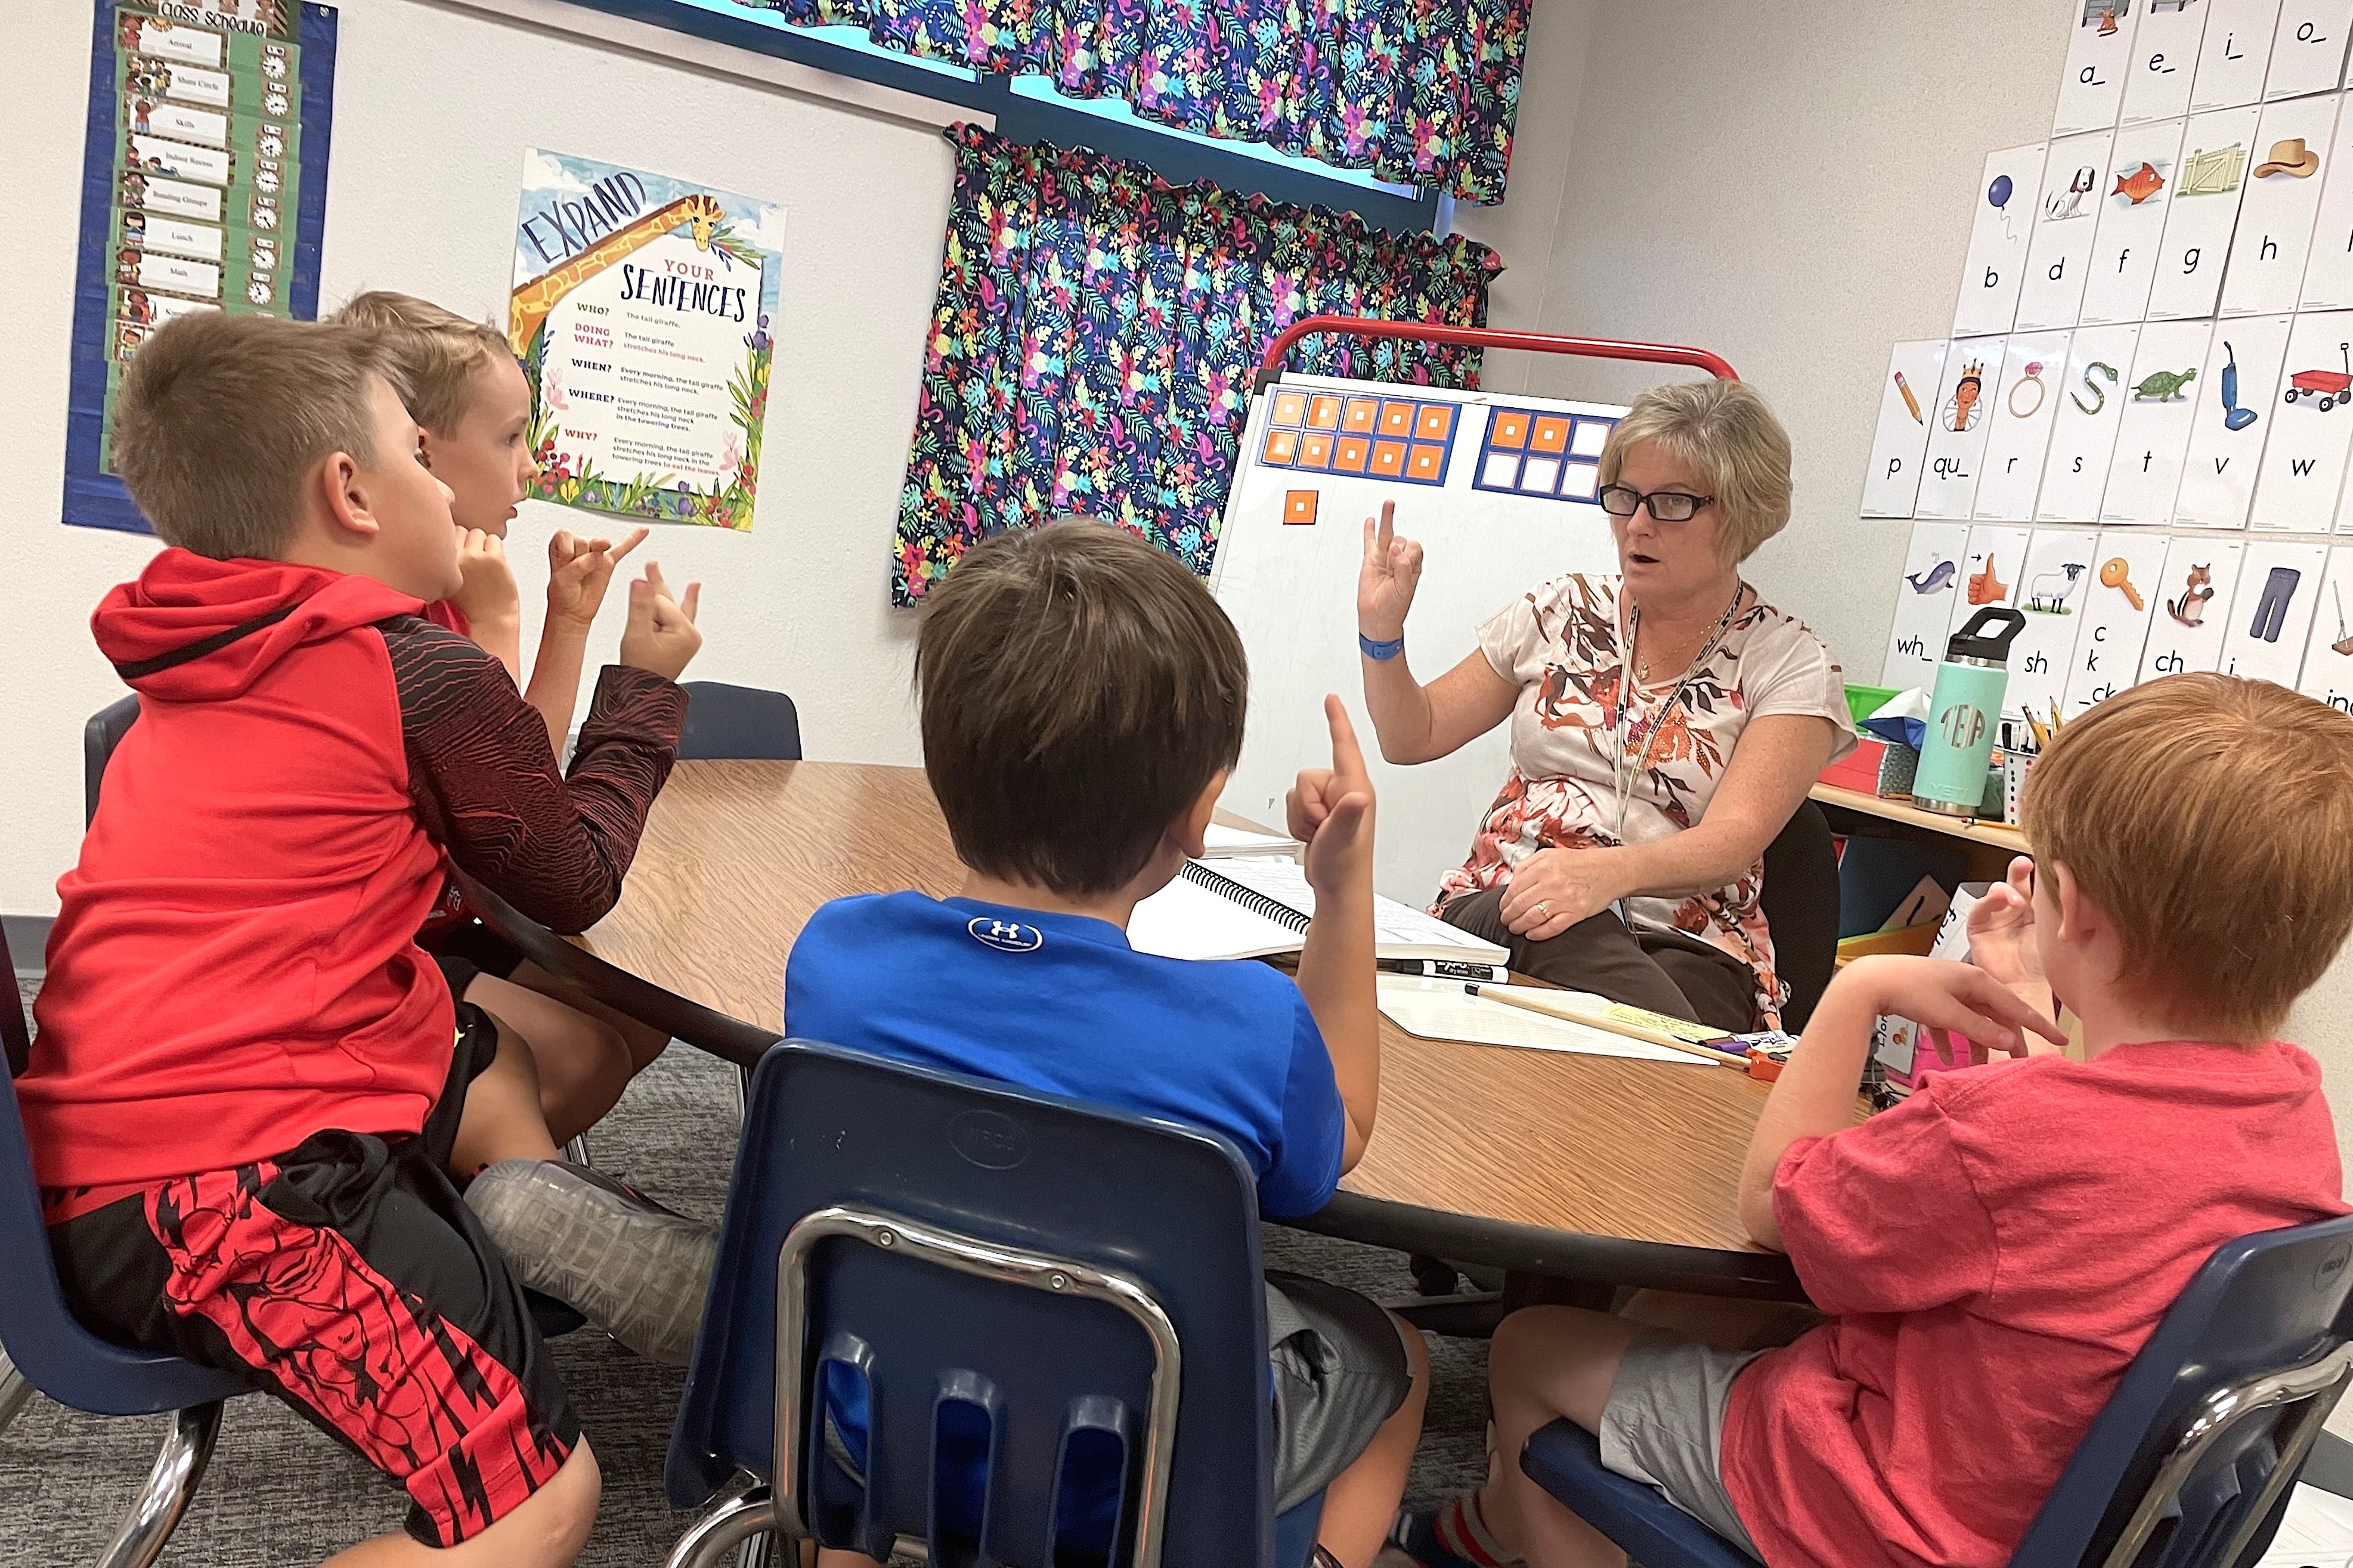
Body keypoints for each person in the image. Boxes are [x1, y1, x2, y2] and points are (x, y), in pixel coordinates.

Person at [23, 311, 714, 1567]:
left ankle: (514, 1211)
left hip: (114, 1136)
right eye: (418, 451)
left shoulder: (195, 646)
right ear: (349, 489)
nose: (446, 489)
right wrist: (646, 693)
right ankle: (552, 1232)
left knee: (466, 1036)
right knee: (535, 1502)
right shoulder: (409, 673)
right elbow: (570, 877)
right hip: (216, 1186)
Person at [1397, 673, 2353, 1568]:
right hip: (2080, 1508)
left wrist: (1860, 994)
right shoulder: (2289, 1111)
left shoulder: (1997, 1132)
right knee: (1682, 1309)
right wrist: (2027, 987)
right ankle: (1490, 1527)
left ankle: (1507, 1529)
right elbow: (2098, 1152)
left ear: (2084, 917)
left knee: (1534, 1346)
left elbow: (1774, 1203)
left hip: (1900, 1516)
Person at [784, 520, 1428, 1568]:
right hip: (1132, 1472)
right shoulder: (1252, 1030)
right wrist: (1341, 885)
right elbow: (1341, 1129)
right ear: (1198, 813)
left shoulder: (837, 958)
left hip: (868, 1420)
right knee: (1393, 1357)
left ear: (943, 767)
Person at [1357, 380, 1853, 1033]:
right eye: (1624, 496)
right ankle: (1696, 1065)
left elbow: (1731, 845)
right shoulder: (1561, 609)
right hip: (1506, 905)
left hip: (1690, 942)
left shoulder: (1790, 662)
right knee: (1557, 926)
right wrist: (1382, 634)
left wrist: (1601, 877)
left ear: (1741, 513)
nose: (1637, 523)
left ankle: (1678, 1052)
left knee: (1618, 988)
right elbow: (1410, 735)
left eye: (1671, 501)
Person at [331, 290, 675, 1137]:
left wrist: (565, 620)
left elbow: (519, 780)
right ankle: (478, 1186)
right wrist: (504, 626)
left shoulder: (449, 589)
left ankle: (494, 1173)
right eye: (511, 436)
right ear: (419, 447)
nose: (531, 465)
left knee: (638, 1011)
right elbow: (542, 863)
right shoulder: (403, 629)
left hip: (451, 909)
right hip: (384, 951)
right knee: (586, 1046)